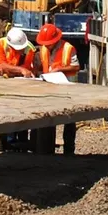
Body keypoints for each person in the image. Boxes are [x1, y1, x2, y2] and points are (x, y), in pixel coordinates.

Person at [36, 23, 82, 154]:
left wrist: (59, 69)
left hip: (67, 88)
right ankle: (46, 150)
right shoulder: (43, 49)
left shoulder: (68, 48)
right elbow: (41, 66)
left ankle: (69, 151)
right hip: (49, 88)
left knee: (69, 120)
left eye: (48, 43)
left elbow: (76, 67)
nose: (46, 45)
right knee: (48, 118)